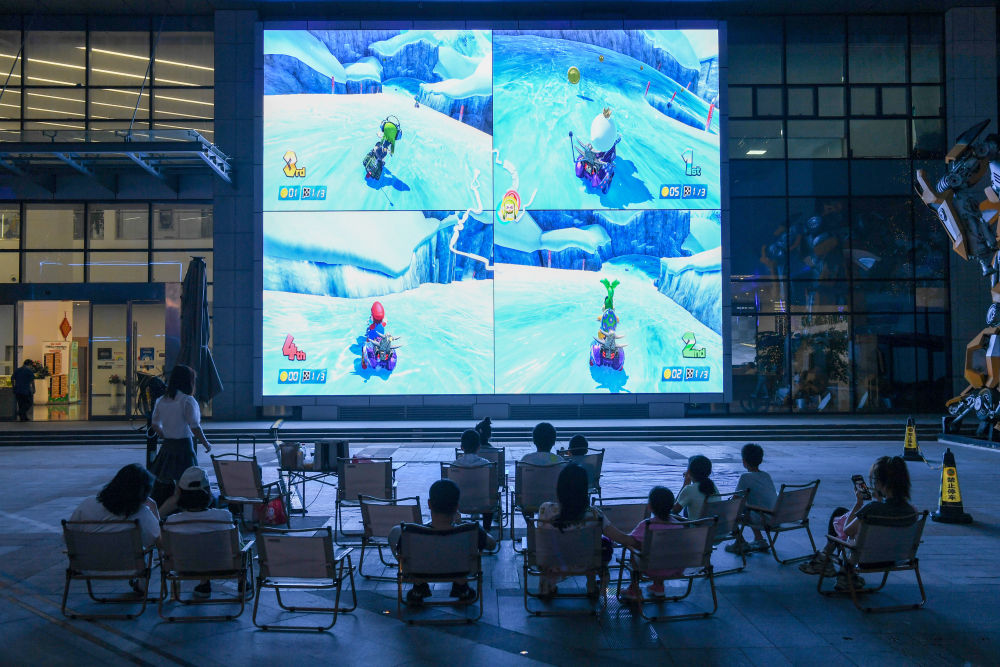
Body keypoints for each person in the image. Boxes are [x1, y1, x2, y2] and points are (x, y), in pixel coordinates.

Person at [799, 456, 918, 592]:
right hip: (896, 558)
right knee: (841, 512)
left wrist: (858, 504)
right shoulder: (912, 512)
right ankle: (826, 562)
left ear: (880, 483)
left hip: (867, 560)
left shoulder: (872, 510)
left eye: (874, 480)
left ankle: (826, 560)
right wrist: (879, 502)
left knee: (839, 517)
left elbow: (847, 530)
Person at [388, 479, 496, 606]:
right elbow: (492, 545)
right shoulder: (470, 530)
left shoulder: (410, 532)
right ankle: (461, 585)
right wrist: (462, 524)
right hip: (460, 571)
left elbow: (400, 552)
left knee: (394, 532)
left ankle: (418, 584)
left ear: (429, 504)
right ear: (457, 506)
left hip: (420, 571)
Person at [536, 464, 638, 596]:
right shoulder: (594, 514)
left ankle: (547, 587)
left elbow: (543, 538)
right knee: (603, 544)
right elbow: (620, 538)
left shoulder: (545, 509)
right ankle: (593, 585)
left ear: (560, 487)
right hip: (587, 564)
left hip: (554, 563)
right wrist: (639, 541)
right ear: (584, 489)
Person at [162, 467, 234, 599]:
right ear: (208, 491)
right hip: (222, 566)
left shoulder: (172, 522)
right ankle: (242, 584)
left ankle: (204, 584)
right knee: (234, 539)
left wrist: (174, 499)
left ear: (179, 493)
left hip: (184, 568)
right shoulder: (224, 516)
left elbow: (156, 520)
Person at [149, 365, 212, 503]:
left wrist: (165, 435)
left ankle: (164, 508)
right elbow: (195, 427)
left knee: (166, 482)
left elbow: (155, 424)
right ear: (188, 381)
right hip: (184, 447)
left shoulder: (161, 400)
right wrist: (206, 443)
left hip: (167, 446)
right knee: (185, 483)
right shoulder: (187, 400)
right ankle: (179, 507)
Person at [69, 463, 161, 549]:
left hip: (88, 559)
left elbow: (70, 534)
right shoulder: (142, 514)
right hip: (126, 561)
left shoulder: (87, 504)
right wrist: (154, 508)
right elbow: (160, 542)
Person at [622, 486, 683, 601]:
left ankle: (634, 589)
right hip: (674, 568)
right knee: (664, 550)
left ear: (649, 506)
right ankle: (658, 587)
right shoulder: (678, 525)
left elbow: (630, 540)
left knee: (634, 550)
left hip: (650, 569)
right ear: (672, 505)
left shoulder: (647, 525)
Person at [726, 443, 778, 554]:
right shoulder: (766, 475)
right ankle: (759, 539)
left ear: (744, 461)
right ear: (761, 460)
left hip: (764, 519)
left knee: (730, 511)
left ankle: (740, 543)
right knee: (750, 507)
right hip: (776, 517)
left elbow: (735, 500)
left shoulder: (745, 477)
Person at [452, 429, 494, 531]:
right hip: (483, 503)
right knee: (491, 498)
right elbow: (492, 486)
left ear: (461, 447)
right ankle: (486, 530)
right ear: (479, 447)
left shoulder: (454, 465)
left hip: (460, 504)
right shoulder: (487, 464)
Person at [673, 455, 720, 519]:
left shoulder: (689, 489)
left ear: (689, 471)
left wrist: (685, 484)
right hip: (713, 524)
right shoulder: (713, 486)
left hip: (696, 525)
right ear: (709, 472)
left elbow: (674, 510)